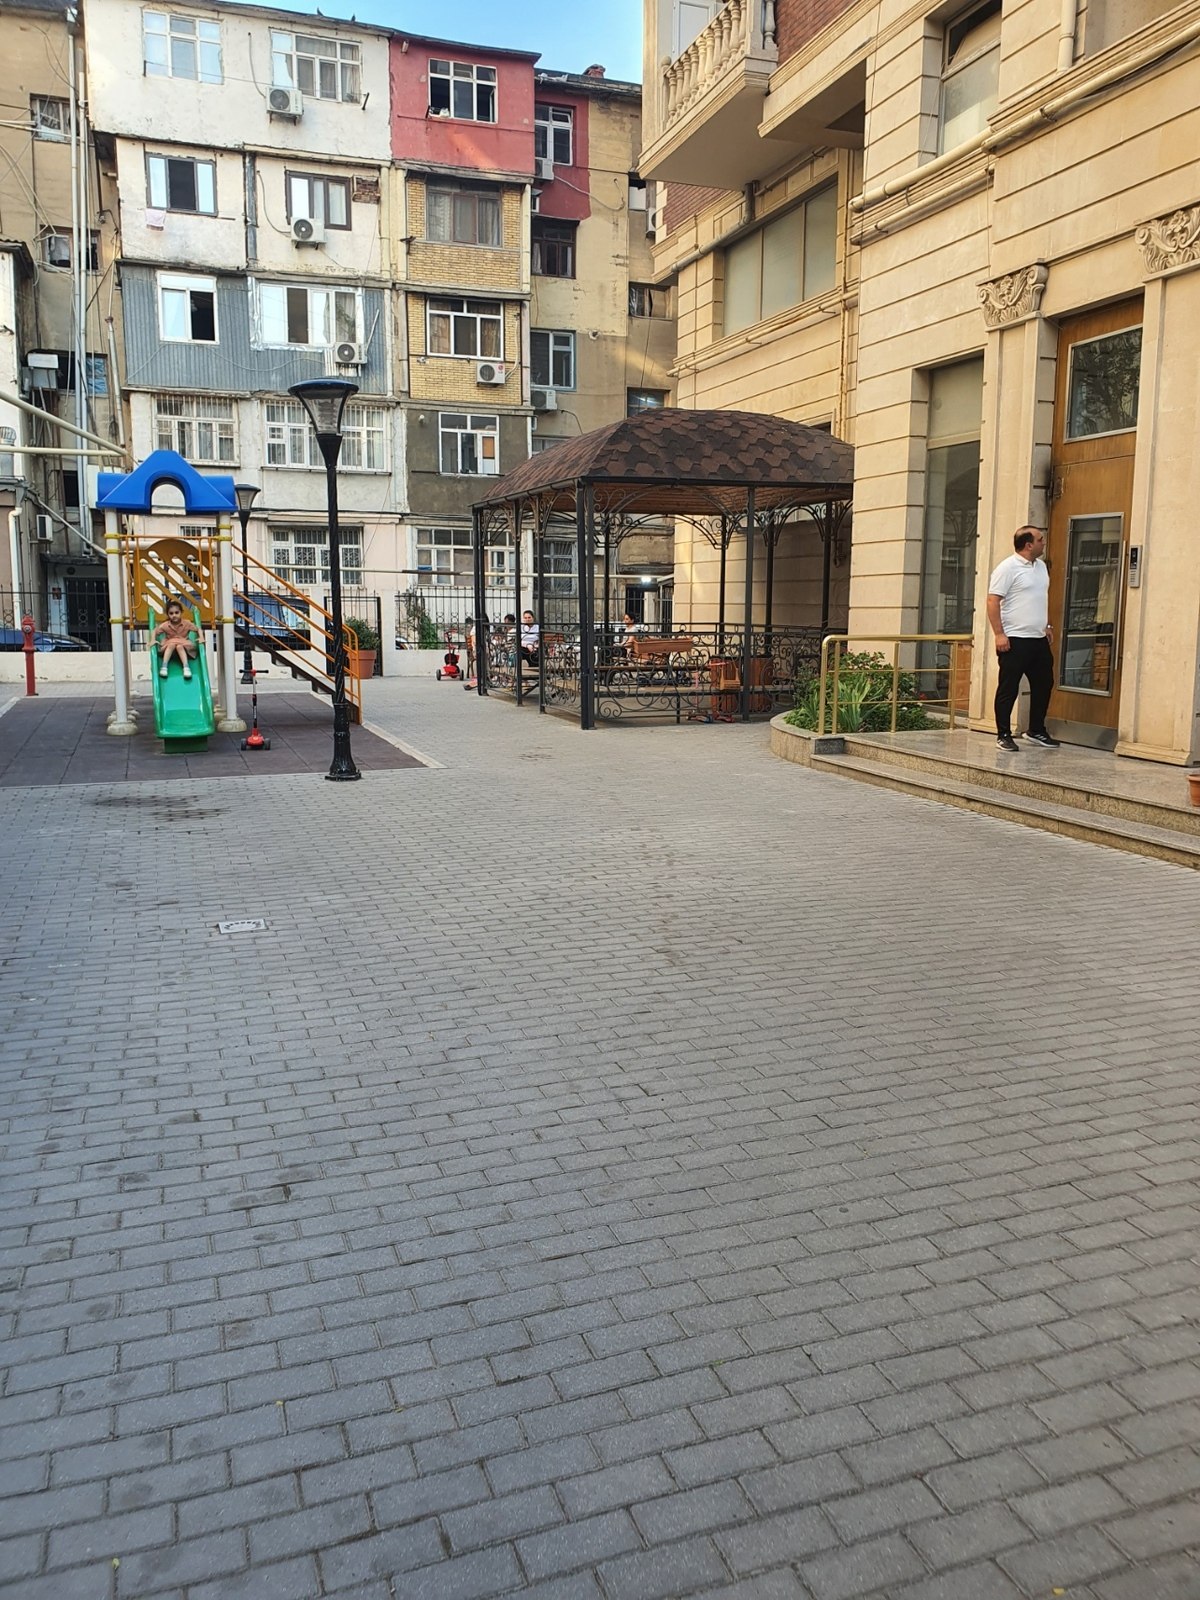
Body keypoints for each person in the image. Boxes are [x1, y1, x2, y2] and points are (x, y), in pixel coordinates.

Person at [987, 526, 1060, 752]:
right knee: (1008, 688)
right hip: (1015, 639)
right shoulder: (1007, 568)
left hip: (1038, 639)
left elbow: (1041, 598)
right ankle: (1003, 734)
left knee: (1044, 683)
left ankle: (1036, 729)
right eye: (1040, 539)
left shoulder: (1041, 567)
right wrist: (999, 634)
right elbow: (992, 601)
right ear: (1028, 545)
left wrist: (1047, 625)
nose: (1043, 542)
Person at [153, 599, 199, 681]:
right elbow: (155, 631)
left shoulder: (186, 623)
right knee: (172, 644)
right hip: (170, 649)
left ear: (181, 612)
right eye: (171, 613)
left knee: (179, 646)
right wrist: (152, 640)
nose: (174, 615)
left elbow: (198, 629)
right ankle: (164, 666)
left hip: (183, 647)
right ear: (168, 614)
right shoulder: (166, 625)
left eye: (176, 612)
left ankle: (186, 667)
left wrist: (201, 637)